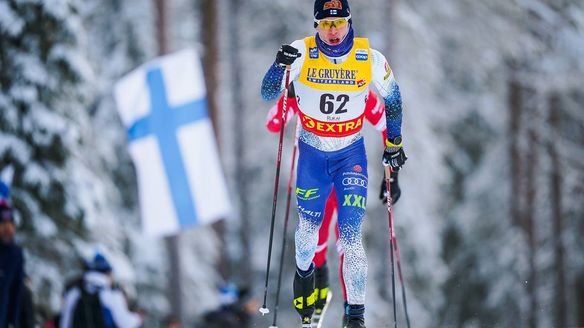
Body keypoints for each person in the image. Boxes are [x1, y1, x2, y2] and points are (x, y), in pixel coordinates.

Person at [260, 0, 407, 326]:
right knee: (312, 237)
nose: (333, 30)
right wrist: (279, 70)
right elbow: (270, 103)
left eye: (338, 22)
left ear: (348, 20)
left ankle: (355, 315)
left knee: (351, 237)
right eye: (325, 24)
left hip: (349, 159)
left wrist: (392, 169)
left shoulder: (367, 62)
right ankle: (309, 279)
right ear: (316, 26)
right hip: (312, 161)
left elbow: (390, 110)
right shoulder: (301, 55)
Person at [265, 88, 402, 326]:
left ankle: (352, 316)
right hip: (316, 177)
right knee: (315, 242)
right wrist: (288, 95)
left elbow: (386, 124)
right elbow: (274, 124)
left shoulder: (357, 85)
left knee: (348, 241)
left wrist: (392, 175)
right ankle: (318, 293)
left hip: (348, 174)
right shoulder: (310, 83)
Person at [59, 253, 143, 328]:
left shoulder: (74, 292)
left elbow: (65, 323)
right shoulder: (112, 295)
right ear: (107, 273)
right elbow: (125, 323)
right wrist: (137, 318)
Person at [0, 202, 25, 328]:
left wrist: (13, 322)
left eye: (11, 225)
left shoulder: (16, 254)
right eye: (3, 225)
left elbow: (17, 291)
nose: (8, 229)